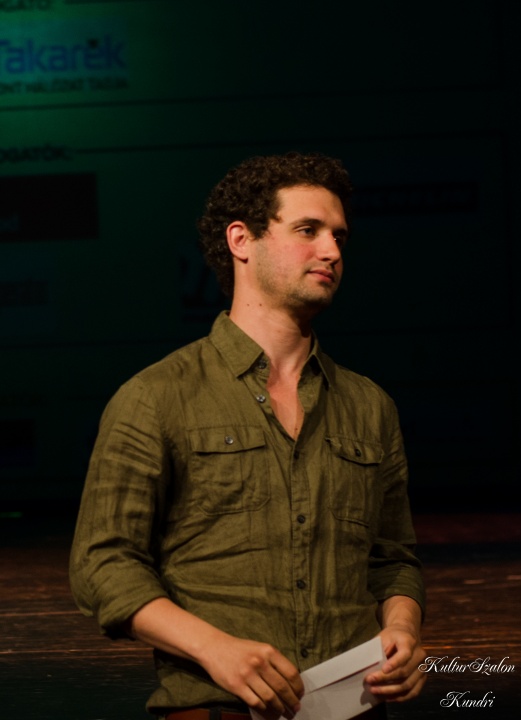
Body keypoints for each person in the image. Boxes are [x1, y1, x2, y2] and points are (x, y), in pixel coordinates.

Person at [70, 151, 426, 720]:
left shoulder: (368, 406)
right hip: (220, 707)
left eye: (338, 236)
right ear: (242, 240)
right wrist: (214, 649)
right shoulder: (157, 396)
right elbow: (102, 563)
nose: (332, 251)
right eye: (308, 230)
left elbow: (392, 558)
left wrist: (402, 629)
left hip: (356, 708)